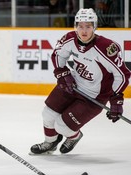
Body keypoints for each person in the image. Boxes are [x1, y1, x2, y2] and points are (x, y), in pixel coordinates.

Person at [30, 8, 130, 155]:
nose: (84, 30)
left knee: (62, 127)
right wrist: (62, 73)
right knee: (48, 114)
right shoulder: (70, 39)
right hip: (73, 85)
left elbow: (122, 74)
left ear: (94, 27)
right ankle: (49, 143)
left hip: (94, 96)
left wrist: (116, 99)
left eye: (88, 26)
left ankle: (74, 136)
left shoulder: (106, 48)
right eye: (80, 26)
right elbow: (58, 55)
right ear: (75, 26)